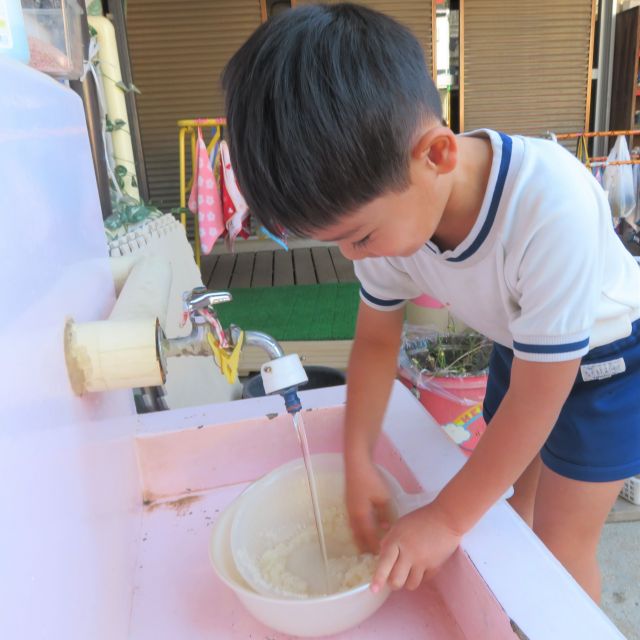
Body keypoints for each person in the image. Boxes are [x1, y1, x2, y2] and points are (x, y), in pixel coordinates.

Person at [222, 3, 640, 602]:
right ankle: (510, 611)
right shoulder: (393, 210)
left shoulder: (552, 205)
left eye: (358, 236)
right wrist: (358, 455)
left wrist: (444, 519)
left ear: (436, 155)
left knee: (559, 546)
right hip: (524, 350)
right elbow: (373, 342)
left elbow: (543, 392)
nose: (353, 259)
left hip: (606, 368)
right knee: (507, 507)